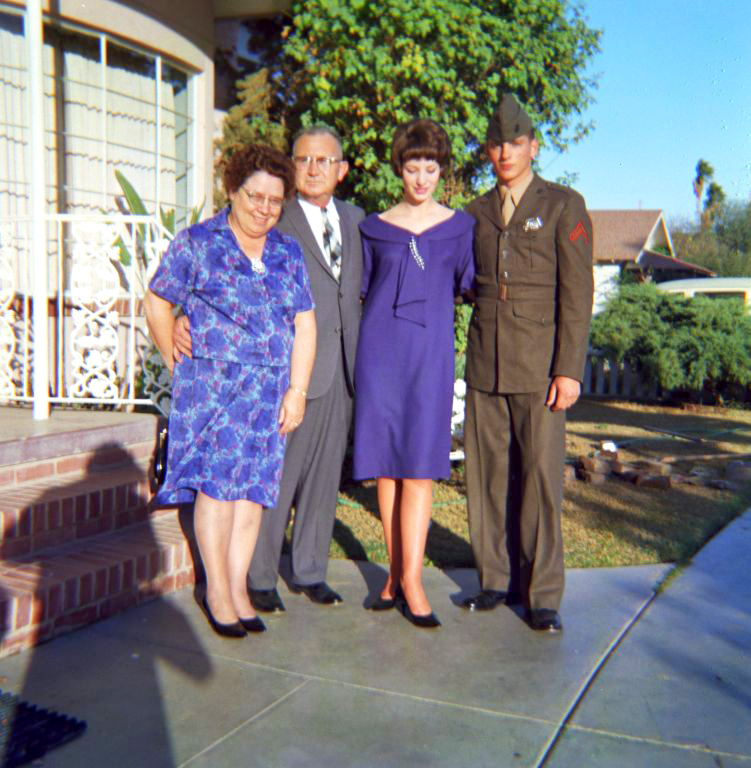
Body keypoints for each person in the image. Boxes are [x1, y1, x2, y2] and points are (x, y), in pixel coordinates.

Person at [173, 125, 364, 612]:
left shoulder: (358, 220)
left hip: (339, 367)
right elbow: (217, 274)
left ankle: (310, 570)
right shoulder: (274, 216)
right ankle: (257, 579)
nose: (313, 169)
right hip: (280, 374)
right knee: (271, 480)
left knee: (323, 477)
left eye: (324, 160)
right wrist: (179, 320)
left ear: (342, 170)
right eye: (304, 159)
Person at [144, 144, 316, 637]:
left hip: (269, 393)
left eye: (275, 200)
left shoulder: (287, 251)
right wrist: (174, 357)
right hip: (213, 392)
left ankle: (239, 589)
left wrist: (298, 390)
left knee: (252, 495)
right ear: (232, 191)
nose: (264, 208)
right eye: (255, 196)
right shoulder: (197, 243)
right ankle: (217, 590)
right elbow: (156, 302)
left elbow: (305, 324)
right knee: (218, 492)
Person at [462, 94, 593, 632]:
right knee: (487, 476)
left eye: (515, 142)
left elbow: (577, 292)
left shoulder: (562, 204)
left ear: (533, 146)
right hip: (485, 362)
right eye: (496, 144)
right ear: (488, 151)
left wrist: (569, 368)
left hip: (540, 367)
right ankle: (495, 580)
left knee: (539, 479)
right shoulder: (474, 212)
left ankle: (542, 596)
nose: (505, 153)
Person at [353, 119, 475, 628]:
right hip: (380, 355)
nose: (421, 178)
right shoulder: (373, 228)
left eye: (430, 167)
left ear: (442, 170)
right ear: (398, 169)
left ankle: (414, 580)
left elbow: (469, 287)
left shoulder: (460, 228)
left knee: (420, 468)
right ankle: (392, 575)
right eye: (412, 167)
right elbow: (360, 292)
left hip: (429, 358)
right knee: (386, 468)